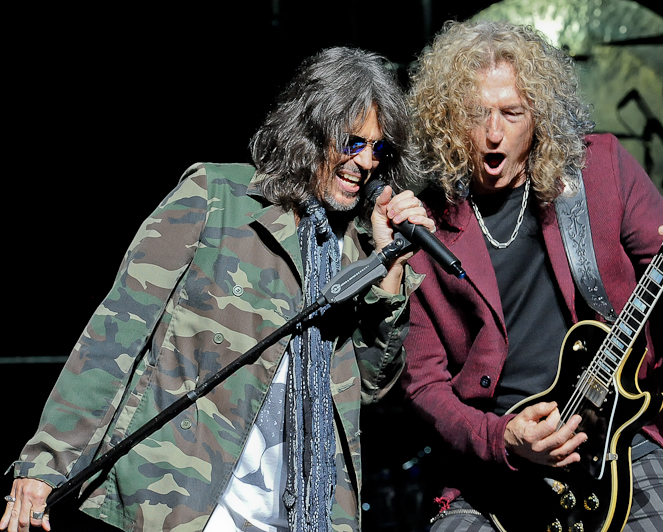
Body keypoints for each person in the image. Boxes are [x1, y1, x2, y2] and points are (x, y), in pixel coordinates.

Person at [2, 46, 434, 532]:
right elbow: (117, 332)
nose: (368, 161)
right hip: (183, 502)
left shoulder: (357, 253)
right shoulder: (216, 197)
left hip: (299, 516)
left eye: (381, 149)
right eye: (355, 142)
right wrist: (45, 462)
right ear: (314, 130)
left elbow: (373, 384)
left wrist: (389, 268)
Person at [401, 20, 663, 532]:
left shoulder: (599, 169)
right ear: (445, 120)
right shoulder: (425, 224)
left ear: (540, 116)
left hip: (616, 435)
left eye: (512, 113)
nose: (493, 134)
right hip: (492, 463)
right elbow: (423, 385)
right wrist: (503, 438)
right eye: (475, 114)